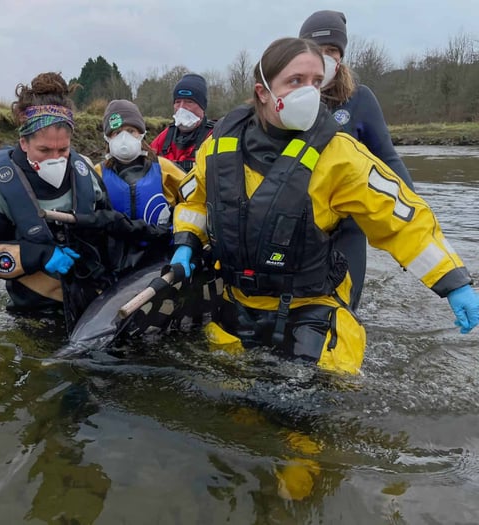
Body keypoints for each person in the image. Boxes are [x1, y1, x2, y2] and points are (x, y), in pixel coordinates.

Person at [168, 37, 479, 374]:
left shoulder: (339, 155)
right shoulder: (217, 148)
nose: (310, 92)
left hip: (309, 309)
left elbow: (401, 217)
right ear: (263, 92)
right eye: (296, 81)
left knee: (308, 416)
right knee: (237, 414)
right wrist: (186, 241)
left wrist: (453, 282)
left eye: (317, 82)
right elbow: (195, 200)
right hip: (236, 306)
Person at [0, 72, 166, 323]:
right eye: (44, 150)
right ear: (24, 142)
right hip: (34, 312)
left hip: (92, 303)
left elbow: (107, 228)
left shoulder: (85, 172)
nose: (55, 158)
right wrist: (39, 256)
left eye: (63, 150)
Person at [299, 10, 415, 311]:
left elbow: (388, 158)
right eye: (316, 50)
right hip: (297, 221)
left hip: (347, 224)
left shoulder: (360, 99)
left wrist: (412, 221)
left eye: (332, 51)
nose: (324, 57)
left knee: (344, 311)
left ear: (341, 57)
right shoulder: (285, 98)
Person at [95, 99, 186, 270]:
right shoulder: (97, 174)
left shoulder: (164, 169)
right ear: (107, 137)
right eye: (117, 133)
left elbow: (194, 201)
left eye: (131, 131)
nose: (124, 138)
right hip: (116, 264)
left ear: (142, 133)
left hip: (162, 259)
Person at [150, 73, 215, 172]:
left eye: (189, 102)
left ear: (202, 107)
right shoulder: (166, 137)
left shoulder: (214, 136)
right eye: (178, 102)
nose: (181, 108)